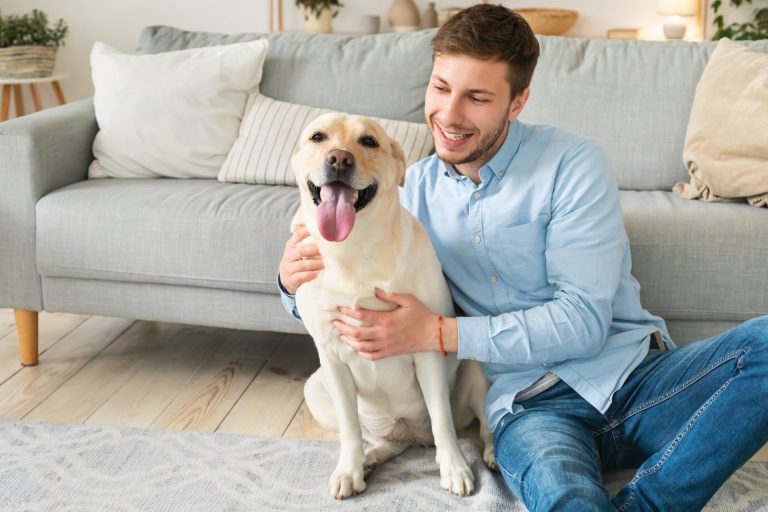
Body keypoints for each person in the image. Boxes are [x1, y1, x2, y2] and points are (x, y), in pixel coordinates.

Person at [277, 4, 768, 511]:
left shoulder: (573, 165)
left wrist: (439, 333)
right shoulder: (406, 190)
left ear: (517, 102)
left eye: (477, 97)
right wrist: (292, 288)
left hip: (637, 378)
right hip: (527, 409)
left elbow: (583, 323)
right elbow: (348, 282)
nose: (449, 115)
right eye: (441, 88)